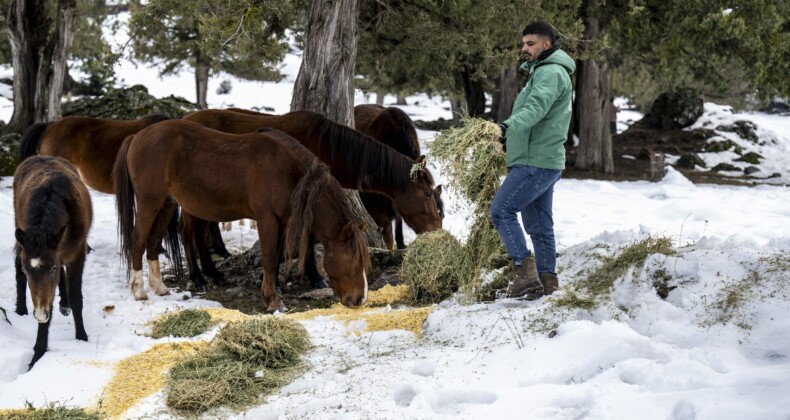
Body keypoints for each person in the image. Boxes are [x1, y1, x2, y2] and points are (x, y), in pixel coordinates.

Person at [490, 21, 575, 300]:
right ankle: (547, 283)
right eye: (523, 43)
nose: (524, 48)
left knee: (501, 211)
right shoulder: (544, 72)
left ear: (546, 45)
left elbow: (536, 109)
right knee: (539, 226)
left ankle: (524, 273)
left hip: (535, 162)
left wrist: (505, 128)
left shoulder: (550, 73)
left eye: (530, 43)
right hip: (541, 160)